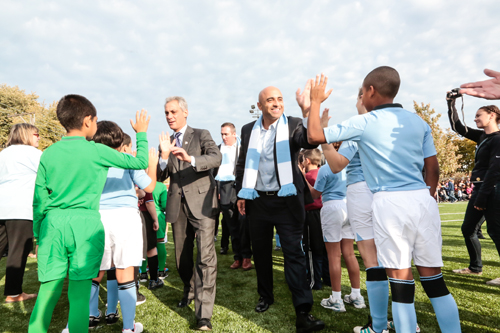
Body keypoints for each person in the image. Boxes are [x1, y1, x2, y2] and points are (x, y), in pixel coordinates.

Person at [307, 68, 461, 333]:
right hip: (423, 200)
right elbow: (432, 168)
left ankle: (384, 327)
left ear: (370, 91)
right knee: (435, 281)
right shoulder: (418, 121)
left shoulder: (364, 122)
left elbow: (314, 137)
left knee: (401, 283)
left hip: (390, 202)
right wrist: (427, 193)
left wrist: (315, 101)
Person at [28, 95, 151, 333]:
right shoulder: (95, 151)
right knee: (79, 297)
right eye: (95, 120)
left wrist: (38, 235)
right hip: (85, 226)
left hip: (52, 227)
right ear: (87, 120)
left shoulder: (48, 153)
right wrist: (142, 133)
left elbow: (39, 201)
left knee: (46, 295)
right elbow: (141, 161)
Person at [235, 84, 325, 333]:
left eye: (280, 99)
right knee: (261, 253)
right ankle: (265, 296)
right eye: (270, 100)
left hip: (287, 202)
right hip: (258, 201)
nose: (276, 103)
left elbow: (307, 139)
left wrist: (308, 108)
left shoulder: (294, 123)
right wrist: (242, 192)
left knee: (294, 255)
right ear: (260, 105)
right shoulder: (246, 130)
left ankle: (303, 310)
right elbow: (242, 163)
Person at [74, 121, 157, 332]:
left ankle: (88, 316)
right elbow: (149, 187)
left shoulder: (88, 161)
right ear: (119, 140)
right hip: (124, 218)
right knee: (125, 272)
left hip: (96, 217)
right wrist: (152, 161)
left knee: (94, 271)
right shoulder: (127, 159)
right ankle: (128, 327)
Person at [157, 96, 222, 331]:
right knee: (182, 260)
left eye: (173, 111)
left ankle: (204, 316)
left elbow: (216, 158)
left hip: (203, 204)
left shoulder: (201, 134)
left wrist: (191, 158)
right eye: (166, 112)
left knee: (205, 258)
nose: (169, 116)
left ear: (185, 112)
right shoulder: (165, 142)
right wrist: (164, 157)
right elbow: (160, 176)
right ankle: (190, 288)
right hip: (177, 207)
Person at [447, 96, 500, 284]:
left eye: (479, 115)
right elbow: (457, 127)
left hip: (492, 190)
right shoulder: (482, 136)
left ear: (492, 115)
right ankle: (475, 267)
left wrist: (481, 198)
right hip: (480, 190)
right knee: (468, 229)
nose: (475, 119)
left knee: (496, 231)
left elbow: (495, 171)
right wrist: (450, 102)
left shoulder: (498, 139)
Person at [307, 155, 364, 314]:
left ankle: (336, 299)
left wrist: (302, 177)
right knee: (350, 254)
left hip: (332, 207)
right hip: (348, 207)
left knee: (333, 256)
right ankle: (356, 295)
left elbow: (314, 194)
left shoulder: (326, 169)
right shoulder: (349, 168)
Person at [0, 123, 41, 303]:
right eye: (36, 134)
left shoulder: (3, 153)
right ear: (26, 134)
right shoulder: (34, 154)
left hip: (2, 206)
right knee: (18, 251)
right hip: (21, 208)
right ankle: (14, 293)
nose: (39, 137)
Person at [213, 122, 252, 270]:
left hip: (242, 189)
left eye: (226, 134)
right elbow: (213, 173)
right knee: (232, 227)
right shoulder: (217, 150)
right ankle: (238, 257)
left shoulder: (243, 148)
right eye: (222, 134)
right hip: (224, 189)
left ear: (234, 134)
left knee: (244, 224)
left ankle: (247, 258)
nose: (223, 137)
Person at [299, 149, 328, 290]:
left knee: (311, 248)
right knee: (324, 247)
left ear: (307, 160)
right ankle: (327, 277)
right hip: (325, 212)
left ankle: (314, 280)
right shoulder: (323, 173)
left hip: (311, 214)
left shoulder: (308, 177)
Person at [152, 180, 169, 279]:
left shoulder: (140, 183)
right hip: (158, 216)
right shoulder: (161, 186)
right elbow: (165, 206)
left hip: (143, 216)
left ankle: (143, 273)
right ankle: (161, 271)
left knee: (146, 245)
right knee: (160, 242)